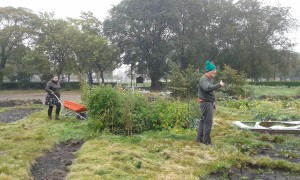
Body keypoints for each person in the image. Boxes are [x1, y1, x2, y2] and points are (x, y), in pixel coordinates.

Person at [196, 60, 225, 145]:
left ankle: (199, 139)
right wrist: (219, 85)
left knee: (203, 121)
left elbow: (209, 89)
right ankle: (207, 142)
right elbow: (207, 88)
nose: (215, 72)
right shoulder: (204, 79)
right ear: (209, 71)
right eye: (214, 71)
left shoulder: (208, 79)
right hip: (206, 103)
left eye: (215, 71)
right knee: (208, 122)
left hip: (207, 103)